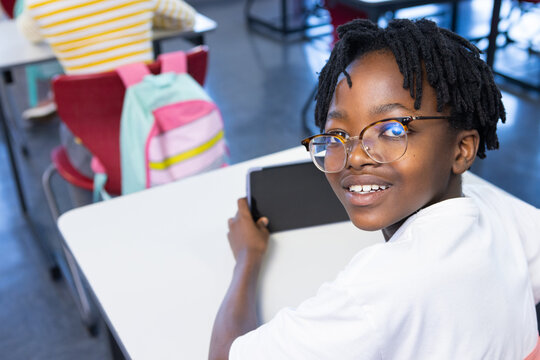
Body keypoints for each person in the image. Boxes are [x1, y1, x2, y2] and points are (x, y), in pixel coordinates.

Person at [209, 18, 540, 359]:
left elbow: (225, 355)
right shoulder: (496, 209)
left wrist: (247, 258)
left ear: (462, 150)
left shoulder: (376, 292)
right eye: (337, 136)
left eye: (392, 131)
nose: (353, 157)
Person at [16, 0, 196, 181]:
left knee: (69, 129)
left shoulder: (38, 3)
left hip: (89, 149)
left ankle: (90, 207)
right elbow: (186, 19)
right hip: (158, 137)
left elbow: (29, 33)